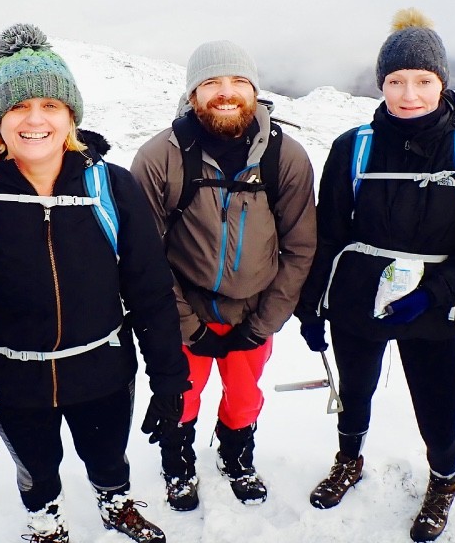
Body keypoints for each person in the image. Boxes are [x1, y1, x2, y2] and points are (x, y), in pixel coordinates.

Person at [0, 24, 189, 543]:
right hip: (13, 381)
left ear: (71, 116)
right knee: (36, 468)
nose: (35, 119)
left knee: (109, 456)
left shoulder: (110, 186)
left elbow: (150, 292)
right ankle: (44, 519)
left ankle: (115, 503)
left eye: (51, 104)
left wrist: (170, 379)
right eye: (19, 106)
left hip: (103, 371)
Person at [295, 9, 455, 542]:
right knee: (356, 389)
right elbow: (329, 231)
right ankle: (349, 458)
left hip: (433, 304)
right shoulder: (356, 146)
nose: (408, 94)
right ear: (381, 83)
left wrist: (434, 294)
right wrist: (311, 304)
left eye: (423, 81)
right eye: (395, 81)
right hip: (355, 298)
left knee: (437, 401)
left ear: (442, 82)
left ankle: (443, 480)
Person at [130, 40, 318, 510]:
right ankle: (177, 463)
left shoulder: (285, 157)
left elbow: (300, 247)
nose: (226, 92)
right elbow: (142, 256)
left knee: (243, 396)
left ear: (254, 89)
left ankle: (237, 455)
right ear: (193, 93)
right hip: (182, 310)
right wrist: (186, 326)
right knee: (183, 396)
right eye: (211, 82)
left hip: (253, 312)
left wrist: (263, 324)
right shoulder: (159, 157)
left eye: (237, 81)